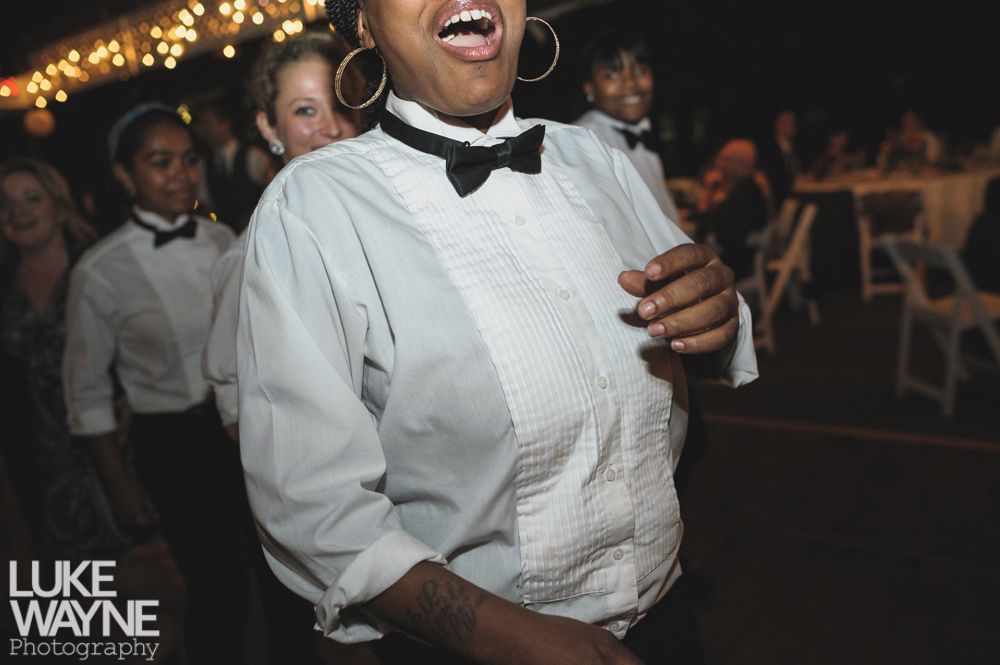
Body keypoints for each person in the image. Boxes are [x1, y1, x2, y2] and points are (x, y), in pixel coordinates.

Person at [238, 2, 758, 664]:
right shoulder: (311, 210)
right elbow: (315, 510)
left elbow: (701, 320)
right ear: (362, 23)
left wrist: (714, 315)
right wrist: (510, 637)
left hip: (669, 619)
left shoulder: (594, 157)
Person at [201, 31, 366, 665]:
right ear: (268, 126)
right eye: (305, 111)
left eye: (342, 104)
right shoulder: (250, 259)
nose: (330, 128)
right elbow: (240, 409)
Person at [62, 103, 246, 665]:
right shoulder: (99, 270)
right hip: (174, 445)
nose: (180, 175)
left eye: (189, 160)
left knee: (280, 576)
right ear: (125, 175)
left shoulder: (223, 241)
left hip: (243, 430)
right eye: (160, 162)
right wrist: (118, 482)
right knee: (215, 589)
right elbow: (86, 391)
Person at [0, 158, 129, 560]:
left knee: (151, 594)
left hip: (118, 452)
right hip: (40, 467)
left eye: (32, 198)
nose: (18, 211)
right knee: (77, 604)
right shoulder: (3, 287)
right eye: (6, 203)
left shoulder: (98, 269)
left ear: (57, 205)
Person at [574, 29, 680, 222]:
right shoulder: (583, 142)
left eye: (640, 71)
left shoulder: (641, 132)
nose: (630, 83)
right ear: (590, 88)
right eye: (612, 75)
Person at [687, 139, 770, 282]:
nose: (718, 165)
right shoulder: (743, 188)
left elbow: (716, 220)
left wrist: (696, 213)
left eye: (724, 160)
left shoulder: (747, 193)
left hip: (734, 264)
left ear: (739, 164)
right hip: (732, 258)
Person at [196, 100, 276, 232]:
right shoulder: (204, 165)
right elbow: (206, 205)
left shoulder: (253, 156)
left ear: (226, 124)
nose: (203, 130)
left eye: (208, 123)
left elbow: (274, 192)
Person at [756, 109, 799, 206]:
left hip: (794, 193)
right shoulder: (768, 148)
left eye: (793, 123)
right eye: (786, 122)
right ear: (777, 124)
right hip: (778, 198)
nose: (791, 126)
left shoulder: (792, 147)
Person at [876, 110, 943, 172]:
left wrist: (921, 147)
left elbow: (934, 159)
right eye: (906, 121)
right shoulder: (897, 139)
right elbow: (882, 163)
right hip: (899, 175)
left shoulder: (929, 138)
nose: (909, 124)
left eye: (912, 121)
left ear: (919, 121)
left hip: (924, 172)